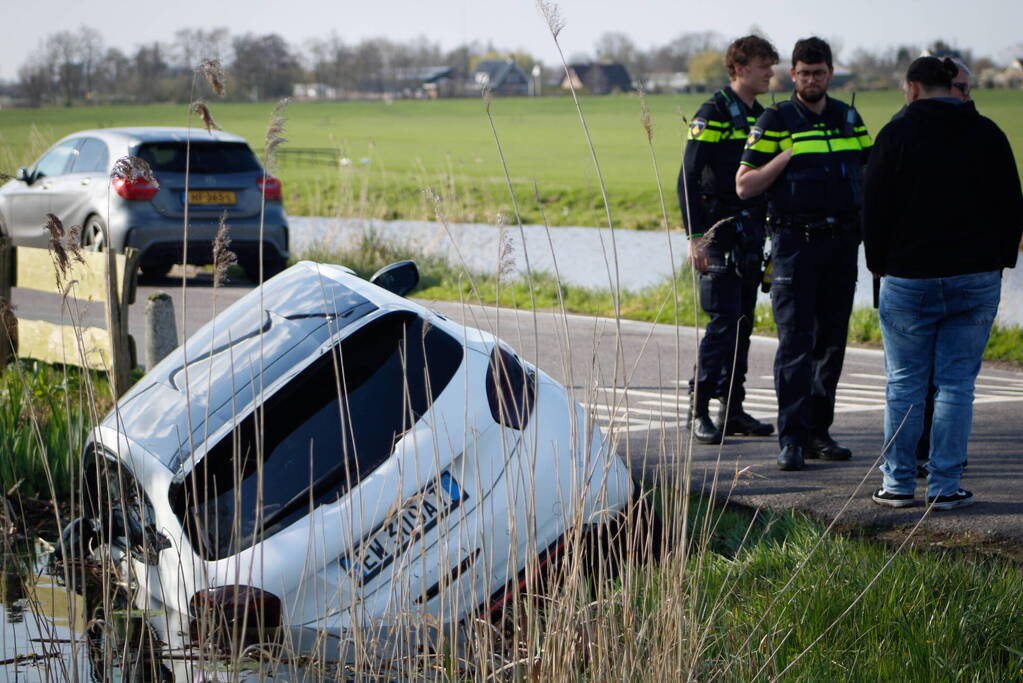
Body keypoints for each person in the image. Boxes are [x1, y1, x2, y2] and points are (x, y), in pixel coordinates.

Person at [863, 56, 1023, 510]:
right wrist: (999, 261)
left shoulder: (895, 134)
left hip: (908, 277)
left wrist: (878, 263)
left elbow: (873, 207)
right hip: (974, 276)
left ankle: (896, 485)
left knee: (904, 384)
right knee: (956, 385)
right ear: (953, 86)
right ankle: (945, 486)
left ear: (913, 88)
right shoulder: (988, 133)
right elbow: (1012, 204)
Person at [735, 37, 871, 470]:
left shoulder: (848, 117)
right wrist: (785, 156)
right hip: (795, 245)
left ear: (830, 73)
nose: (811, 79)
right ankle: (791, 439)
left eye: (819, 72)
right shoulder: (776, 119)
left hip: (842, 244)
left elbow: (870, 176)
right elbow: (744, 184)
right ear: (792, 75)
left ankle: (818, 433)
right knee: (795, 345)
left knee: (832, 343)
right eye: (804, 72)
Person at [678, 35, 779, 444]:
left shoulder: (764, 115)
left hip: (752, 233)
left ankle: (732, 410)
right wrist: (695, 237)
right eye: (762, 65)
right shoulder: (714, 112)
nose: (770, 72)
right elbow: (687, 175)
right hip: (718, 234)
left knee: (743, 323)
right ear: (739, 68)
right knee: (722, 324)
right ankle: (698, 408)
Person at [915, 57, 973, 477]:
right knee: (927, 379)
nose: (966, 97)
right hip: (920, 272)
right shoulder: (905, 132)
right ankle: (929, 469)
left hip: (967, 273)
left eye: (969, 89)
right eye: (961, 88)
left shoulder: (984, 135)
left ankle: (932, 468)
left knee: (947, 380)